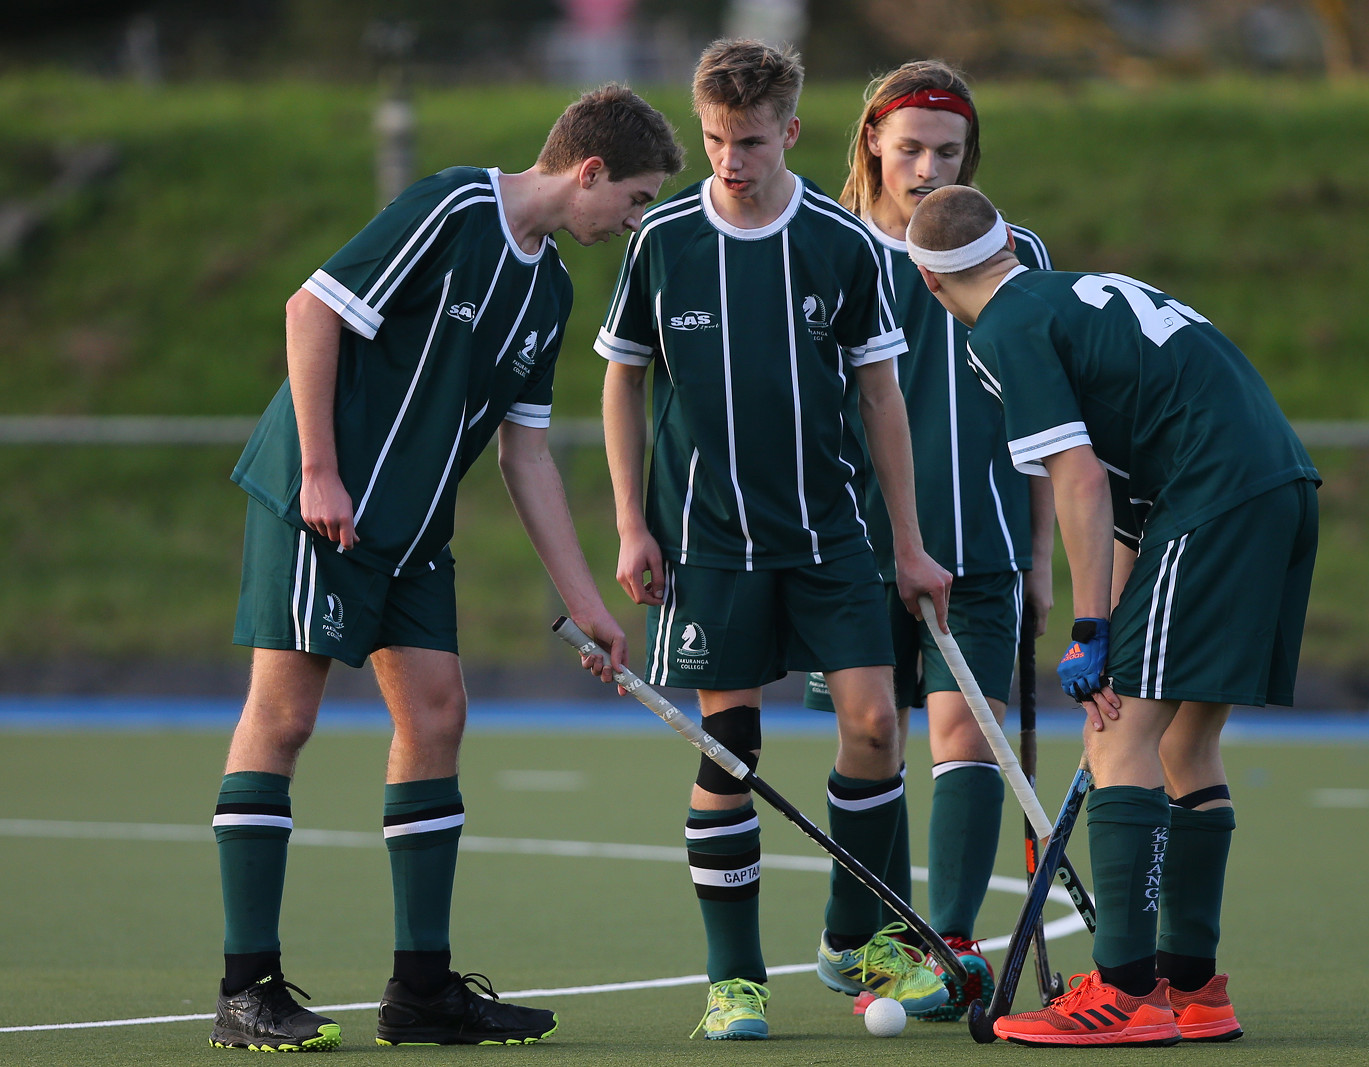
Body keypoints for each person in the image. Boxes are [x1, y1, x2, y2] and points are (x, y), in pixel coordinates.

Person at [209, 84, 683, 1052]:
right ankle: (245, 985)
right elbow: (311, 310)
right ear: (589, 171)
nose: (633, 220)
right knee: (284, 716)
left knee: (436, 716)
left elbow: (526, 456)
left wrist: (586, 602)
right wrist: (319, 470)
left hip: (414, 533)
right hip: (322, 506)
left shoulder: (551, 290)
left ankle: (420, 992)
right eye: (634, 199)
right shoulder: (454, 206)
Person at [597, 39, 954, 1041]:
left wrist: (910, 542)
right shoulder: (661, 237)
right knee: (732, 749)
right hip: (709, 541)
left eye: (750, 141)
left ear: (789, 132)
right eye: (716, 139)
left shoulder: (843, 243)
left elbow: (881, 397)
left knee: (875, 724)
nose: (731, 161)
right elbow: (623, 377)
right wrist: (630, 522)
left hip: (830, 534)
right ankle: (734, 980)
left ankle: (853, 936)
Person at [905, 185, 1320, 1047]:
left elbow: (1080, 480)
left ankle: (1126, 993)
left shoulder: (1003, 330)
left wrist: (1091, 630)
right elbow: (1125, 496)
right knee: (1183, 742)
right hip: (1276, 488)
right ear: (1006, 244)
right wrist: (1120, 622)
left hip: (1209, 501)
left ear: (931, 281)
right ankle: (1193, 985)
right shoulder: (1076, 294)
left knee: (1117, 737)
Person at [802, 60, 1056, 1020]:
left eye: (948, 152)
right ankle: (867, 932)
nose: (928, 169)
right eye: (909, 148)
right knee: (872, 737)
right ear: (872, 139)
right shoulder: (823, 244)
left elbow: (1048, 422)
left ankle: (945, 942)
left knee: (968, 737)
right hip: (853, 548)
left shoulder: (1014, 250)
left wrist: (1041, 558)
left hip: (981, 544)